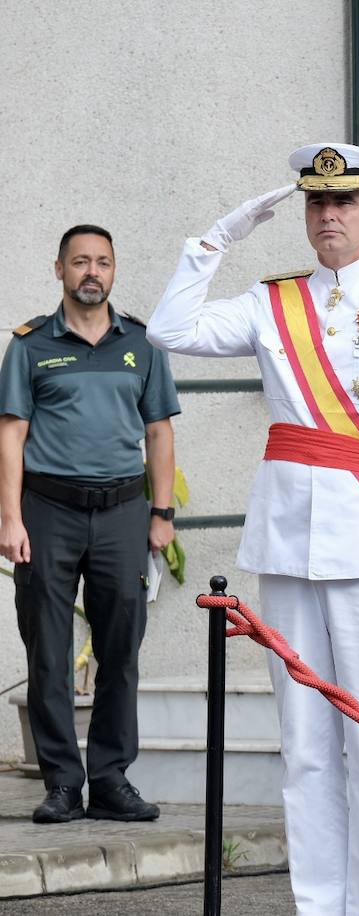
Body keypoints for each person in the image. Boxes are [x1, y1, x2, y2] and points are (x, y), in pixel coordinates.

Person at [147, 143, 359, 914]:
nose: (328, 216)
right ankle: (319, 905)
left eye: (344, 202)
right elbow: (169, 329)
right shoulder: (272, 302)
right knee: (305, 747)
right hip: (290, 538)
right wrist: (214, 241)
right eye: (316, 204)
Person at [0, 225, 179, 824]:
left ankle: (109, 780)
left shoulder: (144, 345)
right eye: (80, 262)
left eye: (102, 261)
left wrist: (162, 514)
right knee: (49, 651)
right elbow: (11, 434)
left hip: (124, 514)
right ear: (59, 270)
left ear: (114, 269)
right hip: (47, 513)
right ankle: (61, 783)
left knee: (120, 650)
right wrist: (10, 517)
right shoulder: (28, 345)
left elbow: (159, 432)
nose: (91, 272)